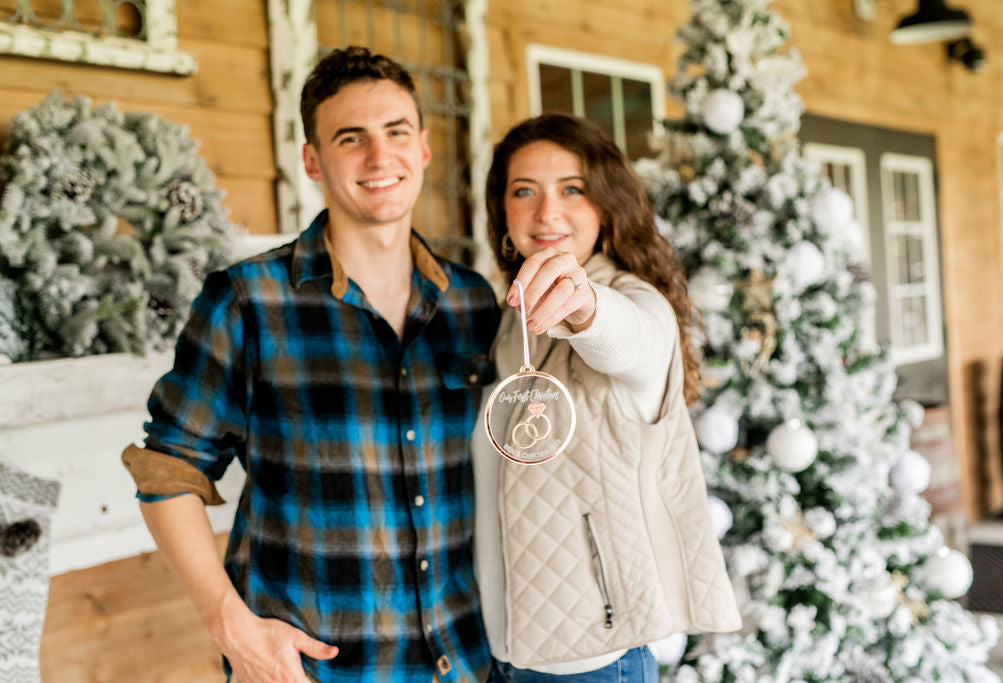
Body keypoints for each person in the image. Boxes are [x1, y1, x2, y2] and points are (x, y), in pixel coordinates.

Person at [121, 46, 498, 683]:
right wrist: (228, 622)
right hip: (312, 671)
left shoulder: (472, 301)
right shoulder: (249, 301)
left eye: (396, 132)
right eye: (352, 138)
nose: (380, 158)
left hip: (463, 661)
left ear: (424, 149)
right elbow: (168, 469)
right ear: (312, 161)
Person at [473, 113, 741, 681]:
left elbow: (632, 342)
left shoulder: (634, 301)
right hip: (500, 654)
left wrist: (585, 306)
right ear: (503, 215)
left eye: (572, 189)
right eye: (525, 191)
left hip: (591, 662)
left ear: (607, 206)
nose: (548, 213)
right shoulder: (508, 322)